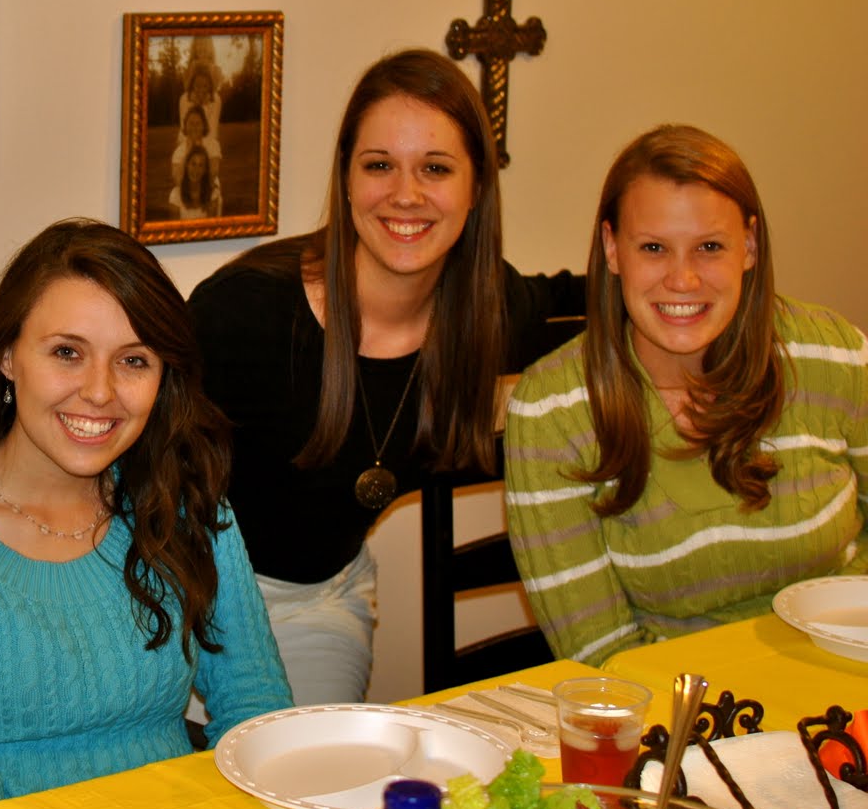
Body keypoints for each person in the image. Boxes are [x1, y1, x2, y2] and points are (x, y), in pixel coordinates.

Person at [0, 219, 291, 809]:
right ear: (6, 356)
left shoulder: (184, 505)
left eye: (133, 361)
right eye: (67, 353)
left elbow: (258, 715)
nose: (100, 392)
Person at [188, 49, 584, 706]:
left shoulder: (485, 311)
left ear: (476, 187)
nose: (406, 194)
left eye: (436, 168)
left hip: (317, 602)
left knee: (323, 772)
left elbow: (600, 302)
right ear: (347, 178)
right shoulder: (246, 313)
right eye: (379, 165)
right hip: (181, 594)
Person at [505, 124, 868, 666]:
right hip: (679, 708)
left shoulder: (834, 353)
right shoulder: (551, 411)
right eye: (653, 248)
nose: (683, 279)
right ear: (612, 249)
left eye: (709, 247)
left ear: (749, 246)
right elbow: (603, 656)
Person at [169, 105, 223, 189]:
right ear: (185, 126)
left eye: (198, 123)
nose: (194, 127)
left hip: (209, 188)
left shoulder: (213, 144)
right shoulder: (178, 151)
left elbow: (213, 172)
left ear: (204, 126)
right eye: (191, 123)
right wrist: (189, 150)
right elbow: (177, 179)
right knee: (174, 194)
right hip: (186, 190)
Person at [169, 144, 224, 220]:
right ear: (187, 165)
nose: (196, 170)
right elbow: (175, 226)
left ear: (205, 170)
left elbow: (211, 226)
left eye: (201, 165)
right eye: (193, 164)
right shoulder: (175, 196)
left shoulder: (213, 194)